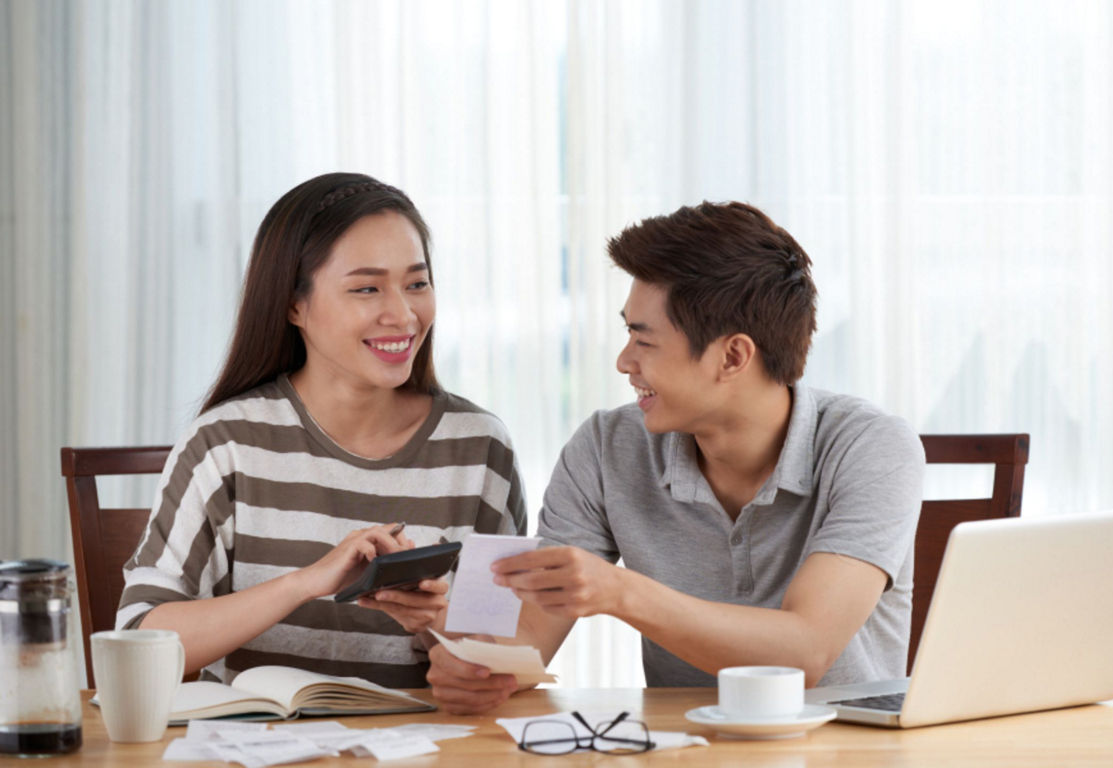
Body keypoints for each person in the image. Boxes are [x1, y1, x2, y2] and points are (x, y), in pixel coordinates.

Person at [427, 201, 925, 714]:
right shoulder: (605, 448)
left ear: (733, 356)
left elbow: (805, 651)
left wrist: (619, 592)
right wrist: (456, 641)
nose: (624, 362)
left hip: (843, 749)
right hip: (683, 746)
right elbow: (528, 639)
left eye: (645, 340)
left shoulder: (873, 448)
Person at [116, 173, 526, 688]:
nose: (402, 314)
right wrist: (305, 584)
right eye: (366, 288)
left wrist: (431, 619)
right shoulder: (226, 444)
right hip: (249, 748)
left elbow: (506, 659)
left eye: (417, 283)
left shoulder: (480, 448)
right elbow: (138, 637)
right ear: (294, 305)